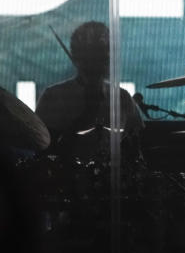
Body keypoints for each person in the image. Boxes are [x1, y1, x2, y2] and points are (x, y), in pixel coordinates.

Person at [36, 21, 143, 163]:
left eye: (103, 55)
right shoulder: (53, 97)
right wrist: (87, 114)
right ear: (76, 58)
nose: (99, 62)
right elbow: (44, 152)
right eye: (92, 55)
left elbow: (137, 149)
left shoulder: (122, 97)